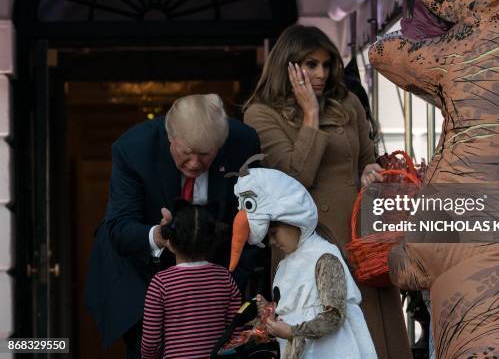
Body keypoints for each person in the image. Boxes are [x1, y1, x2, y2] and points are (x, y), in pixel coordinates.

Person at [243, 24, 410, 358]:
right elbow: (292, 179)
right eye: (310, 64)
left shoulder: (347, 103)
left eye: (326, 64)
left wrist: (369, 171)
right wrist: (310, 115)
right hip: (310, 246)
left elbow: (365, 159)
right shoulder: (261, 114)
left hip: (361, 239)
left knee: (378, 336)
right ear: (287, 65)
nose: (320, 73)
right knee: (325, 340)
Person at [85, 94, 260, 359]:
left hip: (217, 278)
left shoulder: (243, 142)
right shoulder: (133, 149)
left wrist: (224, 289)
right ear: (171, 137)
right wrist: (158, 235)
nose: (194, 164)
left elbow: (251, 221)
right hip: (142, 276)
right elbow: (119, 227)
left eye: (205, 155)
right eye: (186, 152)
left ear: (221, 145)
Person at [229, 165, 377, 359]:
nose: (272, 242)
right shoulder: (285, 264)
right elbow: (295, 309)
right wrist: (269, 310)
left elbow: (334, 316)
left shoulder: (323, 256)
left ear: (292, 219)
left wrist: (292, 332)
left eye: (274, 233)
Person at [141, 200, 241, 359]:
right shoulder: (224, 277)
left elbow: (151, 342)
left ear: (170, 241)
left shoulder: (161, 283)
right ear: (211, 241)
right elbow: (235, 331)